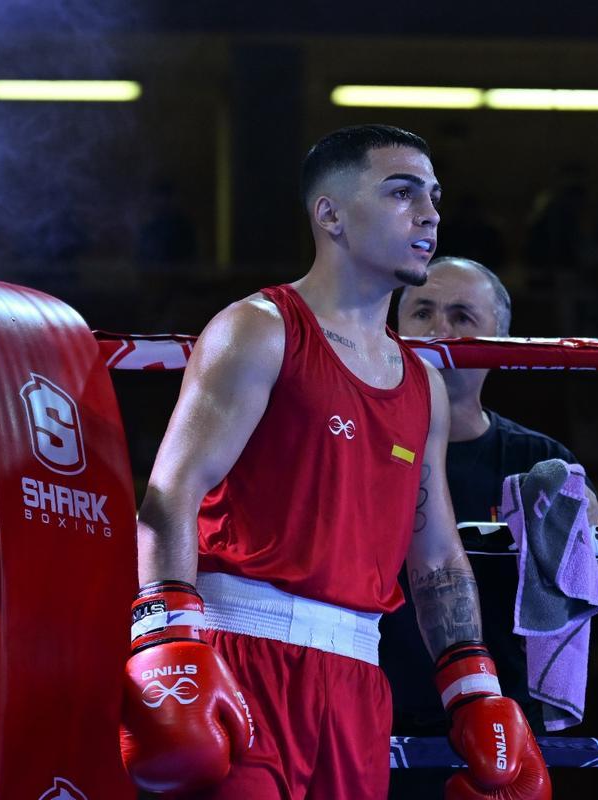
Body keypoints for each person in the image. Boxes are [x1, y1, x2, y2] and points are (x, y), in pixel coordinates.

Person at [120, 126, 551, 799]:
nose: (430, 214)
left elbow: (436, 554)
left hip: (356, 682)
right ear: (331, 214)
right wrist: (167, 643)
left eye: (434, 197)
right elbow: (170, 493)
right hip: (241, 656)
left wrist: (474, 689)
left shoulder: (422, 386)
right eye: (402, 193)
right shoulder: (260, 329)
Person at [382, 256, 598, 794]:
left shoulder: (537, 459)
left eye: (462, 316)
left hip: (498, 725)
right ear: (394, 329)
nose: (439, 331)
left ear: (500, 339)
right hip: (374, 717)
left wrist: (581, 507)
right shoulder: (358, 446)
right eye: (422, 311)